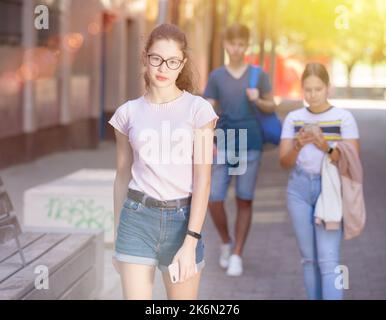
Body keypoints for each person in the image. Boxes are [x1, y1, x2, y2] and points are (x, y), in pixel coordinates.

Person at [108, 23, 218, 300]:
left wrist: (191, 241)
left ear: (182, 65)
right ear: (145, 57)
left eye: (172, 62)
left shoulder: (199, 110)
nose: (163, 68)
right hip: (136, 219)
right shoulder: (127, 114)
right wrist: (117, 234)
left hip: (182, 223)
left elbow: (203, 179)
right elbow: (122, 175)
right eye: (156, 58)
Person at [279, 62, 360, 300]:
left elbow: (352, 161)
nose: (312, 95)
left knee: (329, 260)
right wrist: (298, 144)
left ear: (328, 89)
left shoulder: (343, 118)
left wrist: (325, 146)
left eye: (318, 89)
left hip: (330, 190)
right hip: (299, 189)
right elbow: (284, 163)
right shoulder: (294, 118)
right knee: (308, 259)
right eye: (308, 90)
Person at [203, 23, 277, 276]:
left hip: (250, 144)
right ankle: (226, 243)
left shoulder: (258, 75)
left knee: (244, 199)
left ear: (247, 46)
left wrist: (259, 99)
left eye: (241, 43)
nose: (236, 48)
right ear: (225, 44)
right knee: (214, 199)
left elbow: (271, 106)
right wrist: (206, 139)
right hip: (223, 143)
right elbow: (207, 111)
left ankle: (237, 255)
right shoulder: (216, 77)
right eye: (232, 43)